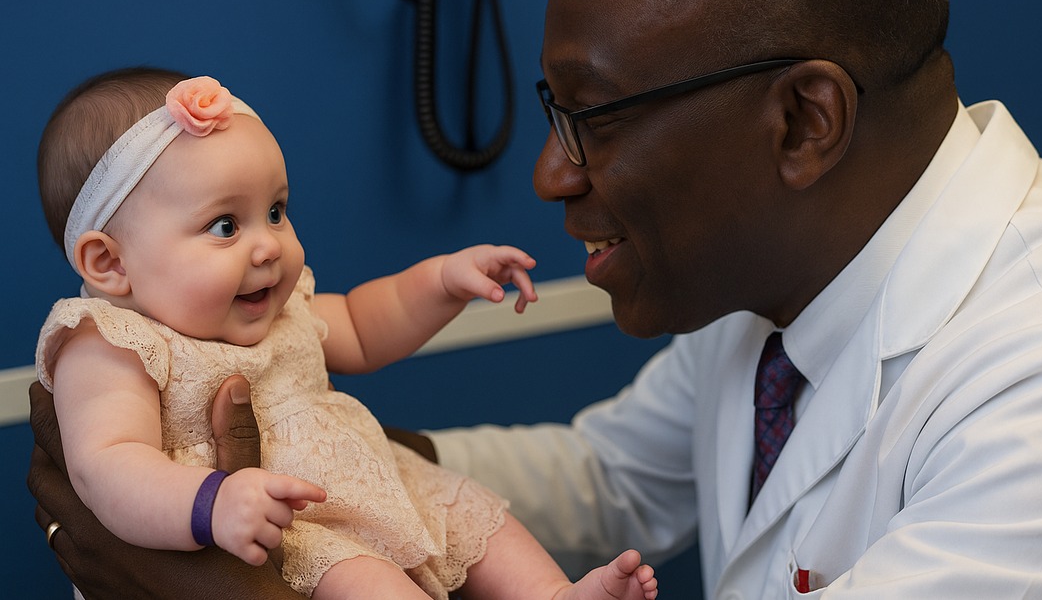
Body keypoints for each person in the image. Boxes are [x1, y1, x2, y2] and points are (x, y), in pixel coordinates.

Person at [29, 0, 1042, 597]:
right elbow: (607, 480)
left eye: (590, 118)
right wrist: (304, 474)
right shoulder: (800, 266)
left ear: (803, 120)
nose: (548, 173)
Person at [29, 67, 658, 600]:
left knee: (478, 516)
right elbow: (106, 466)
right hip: (293, 526)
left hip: (380, 481)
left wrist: (440, 282)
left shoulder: (279, 311)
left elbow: (360, 323)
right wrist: (209, 504)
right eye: (225, 225)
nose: (268, 245)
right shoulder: (108, 342)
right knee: (370, 583)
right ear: (108, 264)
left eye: (276, 211)